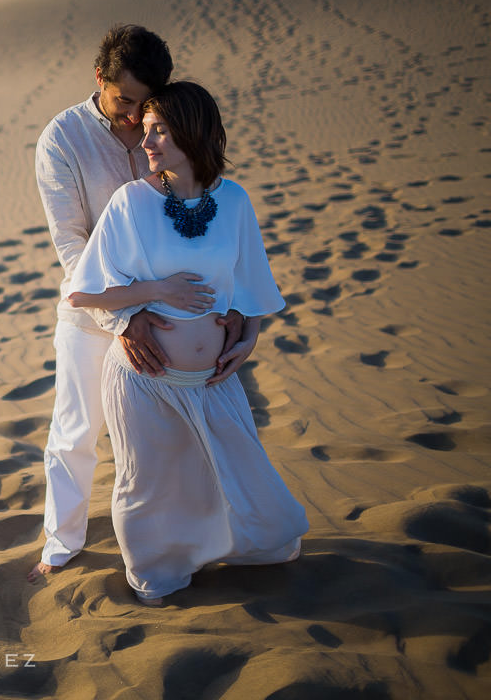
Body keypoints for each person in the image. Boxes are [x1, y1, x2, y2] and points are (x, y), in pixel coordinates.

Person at [66, 81, 309, 606]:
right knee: (149, 486)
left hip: (215, 378)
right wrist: (156, 291)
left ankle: (220, 551)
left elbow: (250, 287)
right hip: (144, 380)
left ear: (194, 134)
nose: (146, 142)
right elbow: (83, 293)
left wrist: (249, 337)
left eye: (159, 130)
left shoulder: (235, 200)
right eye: (145, 129)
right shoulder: (131, 201)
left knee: (246, 488)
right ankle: (157, 580)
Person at [29, 25, 241, 583]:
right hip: (92, 314)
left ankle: (180, 543)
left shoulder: (161, 124)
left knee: (161, 441)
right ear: (98, 79)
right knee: (76, 431)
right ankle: (61, 544)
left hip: (174, 314)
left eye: (143, 104)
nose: (133, 118)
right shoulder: (62, 139)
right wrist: (123, 315)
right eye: (124, 101)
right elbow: (71, 242)